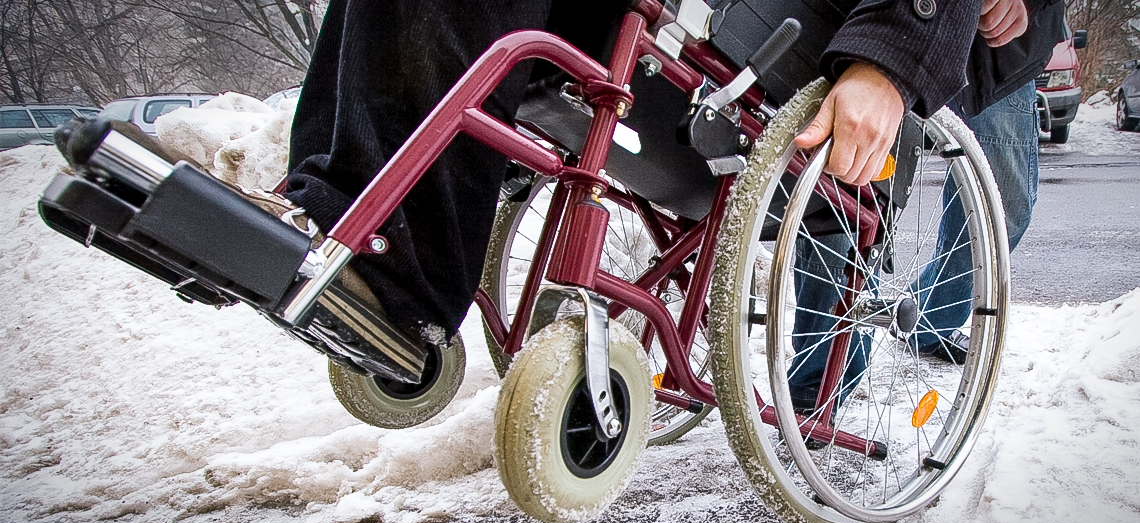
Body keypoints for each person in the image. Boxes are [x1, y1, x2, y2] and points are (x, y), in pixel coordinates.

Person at [279, 0, 1033, 348]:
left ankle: (387, 269)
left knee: (986, 201)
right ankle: (350, 225)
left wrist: (899, 52)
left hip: (816, 37)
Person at [783, 0, 1065, 411]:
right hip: (884, 17)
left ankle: (931, 321)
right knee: (845, 185)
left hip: (998, 43)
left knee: (1003, 207)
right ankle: (821, 375)